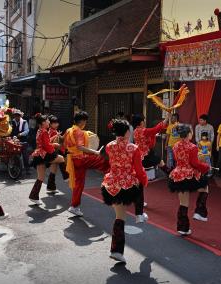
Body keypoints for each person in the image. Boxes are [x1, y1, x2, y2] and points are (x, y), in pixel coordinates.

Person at [102, 119, 148, 263]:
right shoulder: (133, 148)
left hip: (111, 184)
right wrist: (145, 181)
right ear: (127, 132)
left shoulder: (109, 146)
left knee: (119, 217)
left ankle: (116, 250)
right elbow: (139, 171)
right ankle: (139, 213)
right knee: (140, 182)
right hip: (127, 183)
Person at [64, 111, 109, 216]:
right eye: (85, 121)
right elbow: (80, 147)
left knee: (79, 183)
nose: (85, 123)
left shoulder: (69, 130)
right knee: (103, 161)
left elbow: (64, 143)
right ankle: (112, 181)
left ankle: (74, 206)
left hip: (72, 158)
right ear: (82, 121)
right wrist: (95, 152)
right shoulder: (78, 131)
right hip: (80, 158)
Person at [168, 124, 211, 235]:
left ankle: (183, 228)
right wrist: (206, 167)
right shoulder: (192, 147)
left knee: (183, 203)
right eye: (191, 131)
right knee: (205, 187)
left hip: (177, 175)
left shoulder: (176, 145)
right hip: (190, 174)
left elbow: (181, 160)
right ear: (188, 134)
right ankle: (199, 212)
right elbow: (195, 163)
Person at [132, 113, 170, 223]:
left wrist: (154, 134)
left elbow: (152, 135)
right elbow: (156, 129)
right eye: (143, 120)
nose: (144, 121)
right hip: (145, 156)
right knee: (159, 162)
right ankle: (171, 175)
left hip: (141, 156)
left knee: (140, 182)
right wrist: (166, 119)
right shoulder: (143, 130)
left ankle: (138, 200)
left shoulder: (136, 131)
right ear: (141, 122)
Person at [28, 114, 65, 204]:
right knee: (61, 158)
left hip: (39, 154)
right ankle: (66, 176)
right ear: (43, 123)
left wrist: (53, 139)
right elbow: (47, 145)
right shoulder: (44, 131)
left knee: (40, 177)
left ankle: (34, 196)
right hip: (44, 154)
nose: (49, 122)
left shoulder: (40, 130)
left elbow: (46, 142)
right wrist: (55, 145)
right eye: (48, 121)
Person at [48, 115, 69, 182]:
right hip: (55, 151)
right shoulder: (52, 132)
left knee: (53, 171)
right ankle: (66, 177)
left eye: (57, 123)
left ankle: (51, 187)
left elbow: (61, 138)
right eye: (55, 123)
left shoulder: (54, 130)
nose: (57, 124)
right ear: (50, 124)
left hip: (56, 151)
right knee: (61, 162)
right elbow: (49, 141)